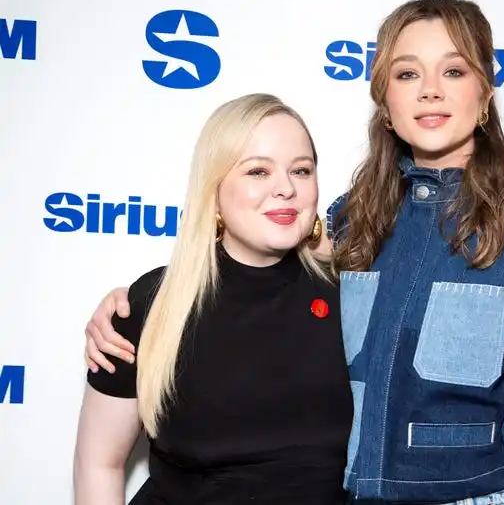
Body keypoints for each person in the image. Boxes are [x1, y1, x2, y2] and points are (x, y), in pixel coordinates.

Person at [82, 0, 504, 505]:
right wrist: (131, 305)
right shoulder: (354, 223)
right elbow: (250, 267)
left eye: (454, 71)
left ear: (485, 93)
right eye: (406, 74)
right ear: (384, 100)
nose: (429, 92)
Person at [73, 93, 354, 505]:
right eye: (258, 171)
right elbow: (99, 463)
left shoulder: (356, 295)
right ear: (214, 188)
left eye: (301, 170)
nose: (285, 188)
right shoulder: (150, 305)